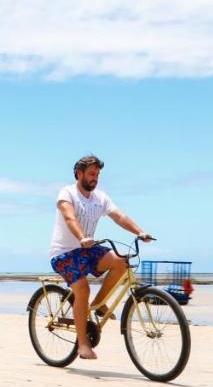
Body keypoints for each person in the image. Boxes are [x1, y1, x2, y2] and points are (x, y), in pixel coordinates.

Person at [49, 154, 153, 361]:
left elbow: (119, 216)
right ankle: (83, 345)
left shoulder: (100, 198)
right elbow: (69, 217)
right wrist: (82, 237)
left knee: (122, 262)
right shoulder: (67, 193)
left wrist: (139, 232)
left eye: (97, 174)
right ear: (79, 174)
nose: (95, 178)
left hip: (87, 249)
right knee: (82, 289)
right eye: (91, 174)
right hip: (64, 252)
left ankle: (99, 302)